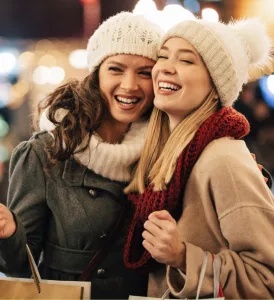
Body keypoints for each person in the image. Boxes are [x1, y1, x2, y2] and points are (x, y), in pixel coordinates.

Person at [0, 12, 163, 299]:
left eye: (145, 72)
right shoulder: (46, 152)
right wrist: (10, 231)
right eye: (116, 69)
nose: (130, 85)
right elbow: (20, 269)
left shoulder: (165, 149)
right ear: (96, 73)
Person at [123, 18, 274, 299]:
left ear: (215, 82)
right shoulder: (164, 154)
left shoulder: (223, 158)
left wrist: (182, 256)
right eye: (163, 56)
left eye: (187, 61)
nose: (165, 67)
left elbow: (266, 279)